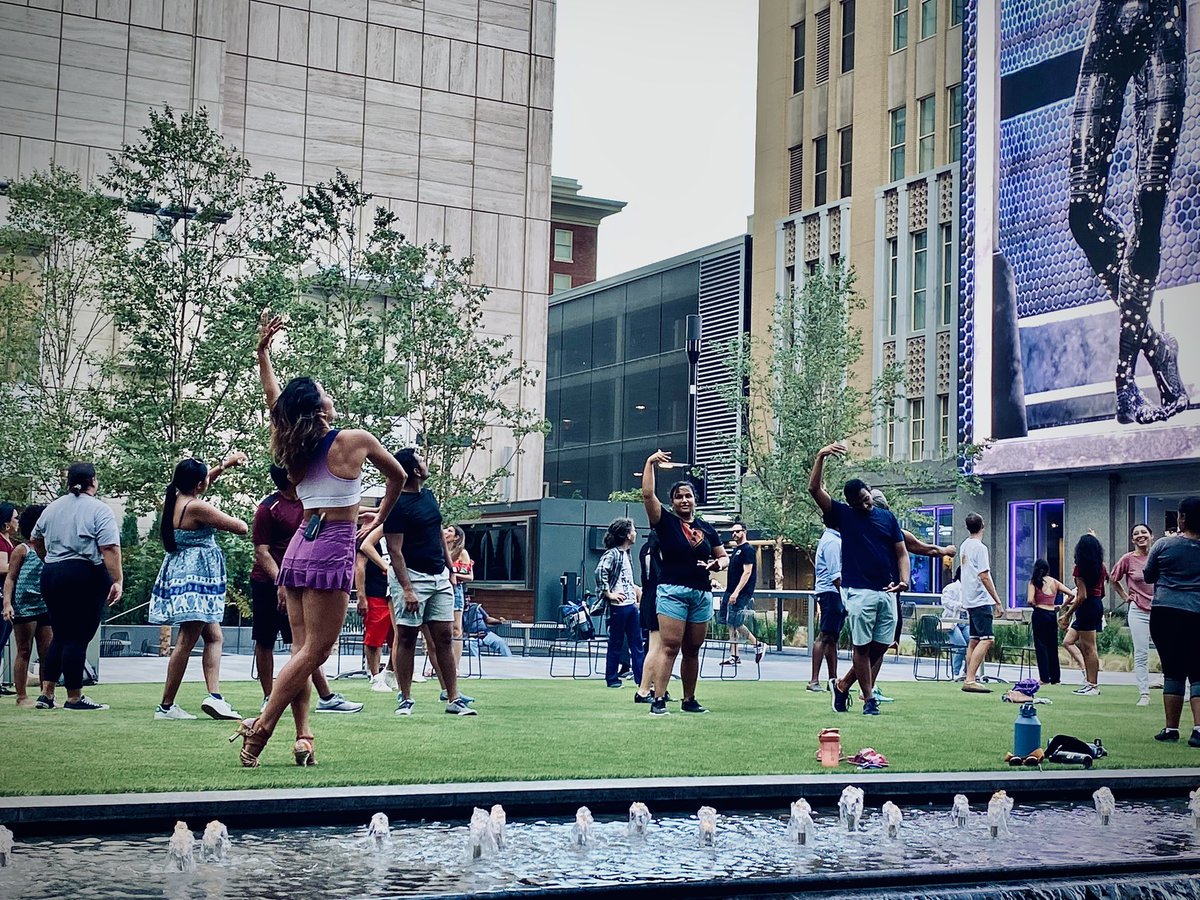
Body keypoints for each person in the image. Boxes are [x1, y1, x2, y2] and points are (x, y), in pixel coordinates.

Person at [233, 312, 406, 768]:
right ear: (319, 409)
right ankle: (262, 726)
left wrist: (262, 354)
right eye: (327, 395)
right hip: (330, 547)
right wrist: (377, 520)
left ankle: (304, 735)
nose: (332, 399)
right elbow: (400, 476)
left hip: (298, 548)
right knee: (316, 651)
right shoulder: (353, 440)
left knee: (301, 651)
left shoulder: (294, 446)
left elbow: (275, 402)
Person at [1068, 0, 1187, 425]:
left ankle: (1125, 383)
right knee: (1082, 212)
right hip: (1108, 26)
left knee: (1149, 205)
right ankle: (1158, 350)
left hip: (1162, 27)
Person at [808, 443, 910, 716]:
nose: (867, 503)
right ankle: (868, 700)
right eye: (861, 501)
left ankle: (842, 686)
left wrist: (904, 579)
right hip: (858, 591)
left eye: (868, 497)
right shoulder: (844, 516)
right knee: (861, 648)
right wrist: (821, 457)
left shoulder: (887, 517)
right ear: (852, 502)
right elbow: (814, 490)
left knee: (879, 647)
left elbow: (902, 551)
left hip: (887, 590)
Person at [252, 465, 363, 714]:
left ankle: (325, 697)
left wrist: (369, 513)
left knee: (305, 645)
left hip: (304, 576)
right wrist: (280, 581)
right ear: (291, 476)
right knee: (266, 639)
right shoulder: (268, 508)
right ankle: (269, 696)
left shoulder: (308, 500)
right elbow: (261, 551)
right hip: (270, 580)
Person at [151, 455, 249, 721]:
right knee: (185, 641)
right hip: (195, 580)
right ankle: (166, 706)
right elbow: (239, 527)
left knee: (214, 637)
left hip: (183, 575)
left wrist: (223, 467)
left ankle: (215, 697)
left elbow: (201, 484)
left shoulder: (174, 500)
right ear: (198, 484)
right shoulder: (197, 507)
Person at [385, 448, 476, 717]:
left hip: (438, 578)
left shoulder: (429, 496)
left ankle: (453, 698)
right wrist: (408, 589)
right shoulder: (397, 504)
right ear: (414, 470)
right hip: (412, 577)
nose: (426, 464)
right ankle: (405, 698)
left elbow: (437, 532)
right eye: (422, 460)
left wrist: (450, 569)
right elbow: (394, 550)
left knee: (445, 637)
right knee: (407, 637)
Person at [29, 462, 122, 711]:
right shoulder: (99, 510)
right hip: (84, 574)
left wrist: (47, 558)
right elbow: (109, 548)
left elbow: (35, 538)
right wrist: (117, 580)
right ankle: (74, 697)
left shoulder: (52, 507)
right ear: (93, 480)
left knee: (60, 634)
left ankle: (46, 694)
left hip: (52, 573)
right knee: (78, 637)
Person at [641, 449, 726, 716]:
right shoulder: (665, 522)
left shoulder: (707, 528)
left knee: (693, 649)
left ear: (695, 500)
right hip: (673, 591)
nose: (684, 500)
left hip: (701, 593)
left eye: (688, 496)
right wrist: (650, 463)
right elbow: (647, 495)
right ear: (673, 502)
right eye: (679, 497)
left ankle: (689, 699)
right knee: (670, 646)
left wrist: (717, 565)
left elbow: (724, 558)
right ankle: (659, 699)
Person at [1144, 496, 1200, 746]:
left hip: (1165, 612)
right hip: (1197, 612)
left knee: (1173, 670)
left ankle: (1171, 729)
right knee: (1198, 672)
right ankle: (1199, 729)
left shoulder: (1164, 545)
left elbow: (1148, 575)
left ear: (1183, 517)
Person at [2, 505, 52, 707]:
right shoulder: (21, 550)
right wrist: (7, 603)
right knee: (24, 650)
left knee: (46, 652)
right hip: (24, 605)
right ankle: (21, 696)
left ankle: (46, 694)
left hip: (45, 604)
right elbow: (10, 579)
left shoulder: (50, 549)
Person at [595, 517, 645, 689]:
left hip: (630, 604)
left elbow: (624, 578)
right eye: (633, 530)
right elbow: (600, 571)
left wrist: (635, 589)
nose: (635, 533)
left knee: (636, 643)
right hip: (620, 606)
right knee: (617, 643)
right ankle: (612, 678)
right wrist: (609, 594)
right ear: (627, 535)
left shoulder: (625, 554)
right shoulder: (613, 554)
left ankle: (641, 679)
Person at [959, 513, 1007, 694]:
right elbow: (984, 575)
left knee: (974, 640)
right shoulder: (980, 548)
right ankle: (971, 678)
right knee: (987, 639)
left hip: (970, 598)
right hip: (980, 599)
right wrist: (998, 601)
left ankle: (969, 676)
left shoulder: (965, 545)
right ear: (982, 526)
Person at [1112, 523, 1155, 706]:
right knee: (1141, 652)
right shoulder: (1128, 559)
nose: (1140, 536)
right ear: (1132, 539)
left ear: (1151, 535)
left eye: (1143, 532)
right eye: (1136, 534)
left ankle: (1180, 691)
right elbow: (1113, 579)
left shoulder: (1158, 555)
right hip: (1138, 610)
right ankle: (1144, 693)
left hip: (1161, 609)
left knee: (1171, 652)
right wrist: (1125, 596)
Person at [1059, 533, 1107, 696]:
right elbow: (1102, 593)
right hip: (1096, 604)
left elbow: (1082, 595)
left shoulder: (1079, 568)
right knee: (1069, 640)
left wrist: (1067, 614)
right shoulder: (1102, 567)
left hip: (1086, 606)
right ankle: (1088, 680)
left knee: (1089, 648)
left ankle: (1093, 685)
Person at [807, 513, 844, 692]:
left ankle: (832, 679)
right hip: (831, 592)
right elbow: (835, 575)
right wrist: (845, 596)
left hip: (831, 592)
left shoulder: (833, 539)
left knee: (832, 637)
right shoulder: (832, 542)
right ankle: (814, 680)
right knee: (825, 635)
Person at [720, 522, 765, 667]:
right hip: (730, 590)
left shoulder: (748, 550)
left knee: (736, 621)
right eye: (732, 532)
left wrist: (736, 592)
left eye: (737, 531)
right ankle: (734, 655)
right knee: (730, 622)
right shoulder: (737, 550)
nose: (734, 534)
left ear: (744, 532)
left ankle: (757, 644)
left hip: (740, 592)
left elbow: (747, 572)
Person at [633, 532, 669, 704]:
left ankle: (655, 687)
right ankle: (644, 689)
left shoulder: (645, 549)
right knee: (656, 647)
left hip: (648, 597)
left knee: (656, 646)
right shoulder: (661, 550)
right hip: (658, 597)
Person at [1027, 559, 1074, 686]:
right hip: (1051, 614)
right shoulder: (1054, 582)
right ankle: (1055, 678)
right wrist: (1060, 606)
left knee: (1041, 646)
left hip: (1039, 613)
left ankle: (1044, 677)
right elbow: (1071, 594)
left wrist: (1036, 605)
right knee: (1052, 646)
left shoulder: (1034, 582)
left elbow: (1030, 600)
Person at [359, 521, 393, 685]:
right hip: (376, 592)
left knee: (400, 636)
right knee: (375, 637)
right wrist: (361, 596)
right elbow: (359, 567)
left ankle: (392, 672)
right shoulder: (368, 535)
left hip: (396, 592)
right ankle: (374, 674)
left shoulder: (399, 532)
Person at [444, 524, 473, 679]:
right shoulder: (439, 550)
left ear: (456, 537)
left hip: (456, 590)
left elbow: (469, 575)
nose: (446, 532)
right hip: (439, 588)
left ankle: (455, 666)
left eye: (450, 531)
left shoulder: (461, 553)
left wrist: (453, 571)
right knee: (439, 629)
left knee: (456, 628)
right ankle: (437, 665)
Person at [0, 502, 18, 695]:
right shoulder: (1, 542)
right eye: (15, 518)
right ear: (6, 523)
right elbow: (1, 566)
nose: (17, 522)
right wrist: (17, 567)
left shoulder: (8, 541)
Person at [940, 568, 970, 680]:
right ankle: (955, 673)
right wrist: (959, 605)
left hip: (966, 622)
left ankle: (968, 673)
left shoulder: (969, 589)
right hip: (952, 622)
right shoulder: (952, 588)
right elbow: (945, 601)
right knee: (961, 646)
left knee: (972, 644)